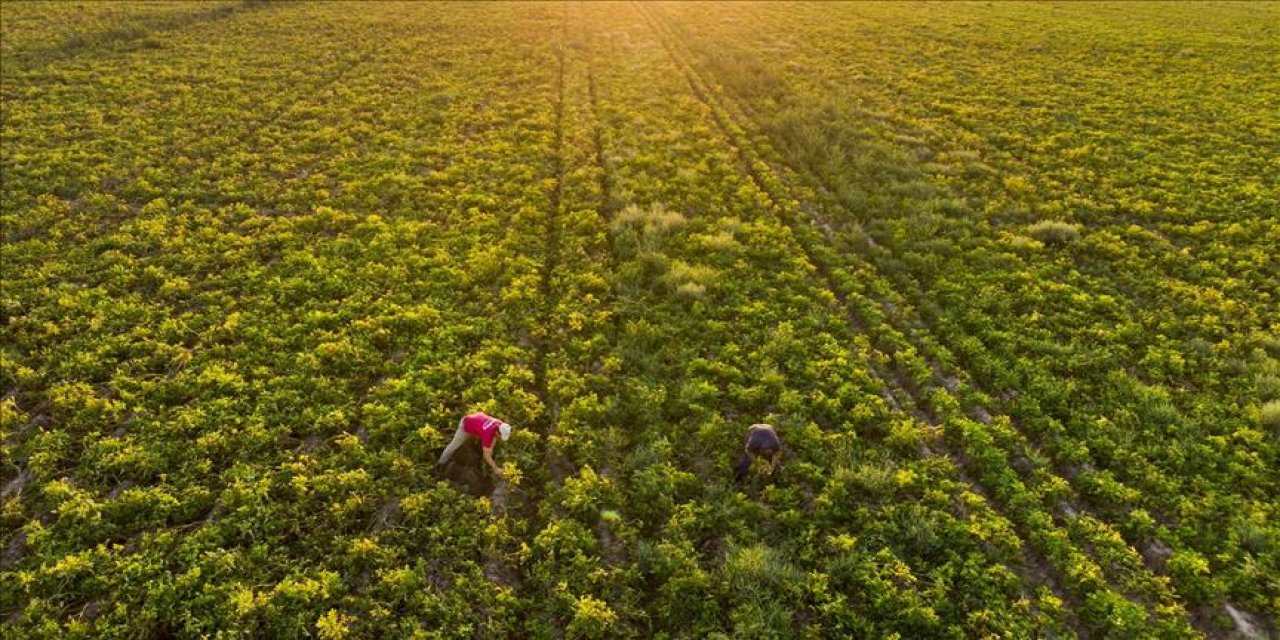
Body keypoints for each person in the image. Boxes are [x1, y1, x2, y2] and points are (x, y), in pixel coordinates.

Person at [438, 411, 512, 477]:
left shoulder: (500, 424)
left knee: (483, 446)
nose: (501, 439)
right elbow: (486, 454)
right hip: (465, 425)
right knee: (453, 446)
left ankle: (474, 442)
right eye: (501, 436)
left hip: (477, 421)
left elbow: (495, 437)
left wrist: (491, 448)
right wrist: (495, 468)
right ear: (498, 432)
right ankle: (441, 463)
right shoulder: (488, 434)